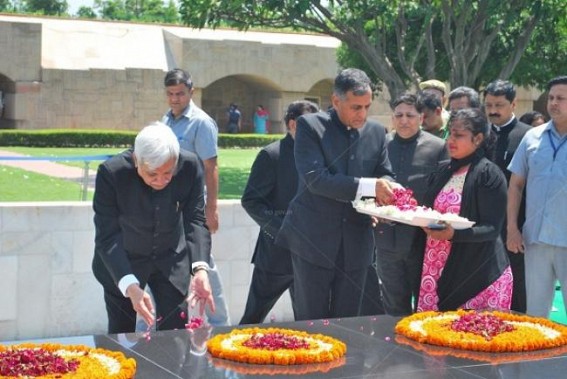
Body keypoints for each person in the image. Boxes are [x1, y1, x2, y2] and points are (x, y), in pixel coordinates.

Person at [275, 68, 398, 320]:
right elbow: (316, 180)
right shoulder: (310, 126)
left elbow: (385, 174)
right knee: (312, 321)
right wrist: (369, 187)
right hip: (312, 241)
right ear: (335, 101)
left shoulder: (376, 132)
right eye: (355, 107)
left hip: (357, 243)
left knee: (348, 322)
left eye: (366, 107)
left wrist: (385, 194)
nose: (362, 114)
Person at [92, 122, 215, 333]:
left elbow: (195, 219)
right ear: (136, 160)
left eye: (168, 173)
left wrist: (200, 269)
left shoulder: (190, 165)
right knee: (122, 337)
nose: (161, 181)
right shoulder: (111, 173)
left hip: (170, 260)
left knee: (175, 334)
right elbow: (107, 236)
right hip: (123, 263)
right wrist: (130, 286)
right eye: (152, 174)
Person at [416, 108, 512, 312]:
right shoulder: (443, 171)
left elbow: (491, 228)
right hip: (435, 268)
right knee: (431, 338)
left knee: (469, 339)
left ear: (478, 139)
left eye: (459, 135)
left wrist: (453, 234)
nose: (451, 139)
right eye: (450, 133)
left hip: (477, 273)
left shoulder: (489, 175)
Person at [239, 100, 319, 325]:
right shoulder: (271, 155)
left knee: (309, 324)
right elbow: (251, 201)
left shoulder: (319, 156)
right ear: (293, 125)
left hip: (311, 257)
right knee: (251, 321)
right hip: (275, 257)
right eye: (310, 124)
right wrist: (285, 232)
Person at [161, 68, 230, 326]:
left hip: (194, 208)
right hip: (170, 208)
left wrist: (211, 209)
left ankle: (221, 326)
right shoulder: (165, 121)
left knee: (203, 264)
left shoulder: (201, 122)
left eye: (180, 93)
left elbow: (210, 167)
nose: (175, 99)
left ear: (191, 91)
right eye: (170, 93)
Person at [374, 93, 448, 316]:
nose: (404, 120)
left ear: (421, 117)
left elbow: (443, 191)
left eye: (410, 115)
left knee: (425, 303)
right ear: (392, 118)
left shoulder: (438, 147)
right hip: (386, 237)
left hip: (422, 239)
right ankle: (395, 349)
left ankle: (420, 350)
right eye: (399, 115)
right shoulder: (382, 145)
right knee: (393, 303)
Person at [507, 75, 567, 319]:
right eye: (551, 97)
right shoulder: (532, 137)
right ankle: (539, 360)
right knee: (536, 316)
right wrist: (512, 228)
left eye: (561, 98)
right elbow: (516, 185)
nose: (554, 103)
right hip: (536, 239)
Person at [483, 79, 531, 313]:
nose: (493, 110)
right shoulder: (479, 135)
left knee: (518, 284)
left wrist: (515, 227)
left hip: (516, 225)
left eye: (499, 105)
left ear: (514, 104)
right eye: (489, 104)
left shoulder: (529, 137)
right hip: (483, 225)